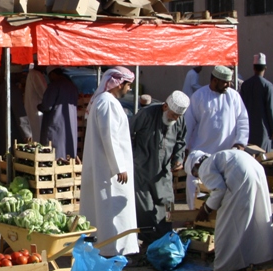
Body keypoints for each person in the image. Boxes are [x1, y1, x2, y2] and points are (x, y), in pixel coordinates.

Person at [82, 67, 138, 257]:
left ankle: (110, 248)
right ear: (119, 83)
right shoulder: (107, 103)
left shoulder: (105, 101)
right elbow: (110, 137)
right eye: (128, 85)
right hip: (109, 170)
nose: (129, 89)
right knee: (109, 209)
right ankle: (111, 249)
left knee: (105, 208)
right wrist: (119, 167)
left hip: (105, 166)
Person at [192, 149, 273, 271]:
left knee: (227, 227)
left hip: (242, 178)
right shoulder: (218, 157)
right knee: (254, 218)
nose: (198, 175)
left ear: (196, 164)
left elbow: (219, 190)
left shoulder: (204, 165)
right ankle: (258, 260)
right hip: (255, 171)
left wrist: (206, 209)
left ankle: (221, 270)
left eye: (195, 173)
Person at [184, 65, 248, 206]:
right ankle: (194, 218)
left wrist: (240, 143)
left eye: (229, 82)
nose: (228, 85)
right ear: (214, 80)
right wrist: (184, 148)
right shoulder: (199, 96)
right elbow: (188, 125)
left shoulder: (234, 96)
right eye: (225, 82)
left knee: (225, 190)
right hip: (201, 152)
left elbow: (242, 120)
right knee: (196, 187)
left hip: (227, 153)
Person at [131, 91, 189, 239]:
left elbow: (181, 141)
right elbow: (127, 133)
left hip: (164, 170)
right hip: (142, 168)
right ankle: (147, 240)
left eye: (178, 116)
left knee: (167, 202)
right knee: (145, 206)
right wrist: (133, 155)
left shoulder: (179, 121)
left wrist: (178, 158)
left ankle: (165, 237)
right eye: (173, 114)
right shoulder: (147, 114)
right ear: (165, 106)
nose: (175, 118)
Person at [240, 53, 273, 152]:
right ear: (265, 68)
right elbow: (271, 108)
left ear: (254, 68)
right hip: (263, 126)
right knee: (262, 154)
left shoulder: (245, 84)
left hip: (247, 125)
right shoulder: (268, 86)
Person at [39, 67, 79, 159]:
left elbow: (46, 106)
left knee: (54, 154)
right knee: (68, 153)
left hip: (56, 126)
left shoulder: (54, 86)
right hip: (70, 126)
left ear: (52, 74)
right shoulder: (72, 86)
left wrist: (39, 106)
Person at [24, 64, 48, 143]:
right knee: (37, 134)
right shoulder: (35, 74)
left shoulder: (33, 74)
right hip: (37, 110)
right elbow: (43, 93)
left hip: (33, 109)